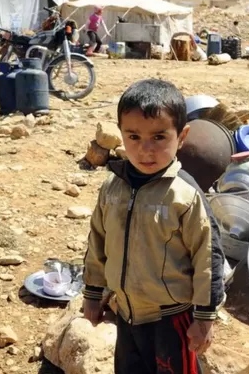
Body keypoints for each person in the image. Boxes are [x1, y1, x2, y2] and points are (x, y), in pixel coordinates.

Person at [82, 78, 225, 374]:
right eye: (133, 136)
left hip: (171, 318)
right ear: (121, 133)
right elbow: (98, 242)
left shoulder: (184, 196)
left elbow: (208, 258)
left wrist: (204, 317)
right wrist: (93, 294)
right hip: (126, 312)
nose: (145, 150)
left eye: (159, 137)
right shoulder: (112, 187)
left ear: (181, 137)